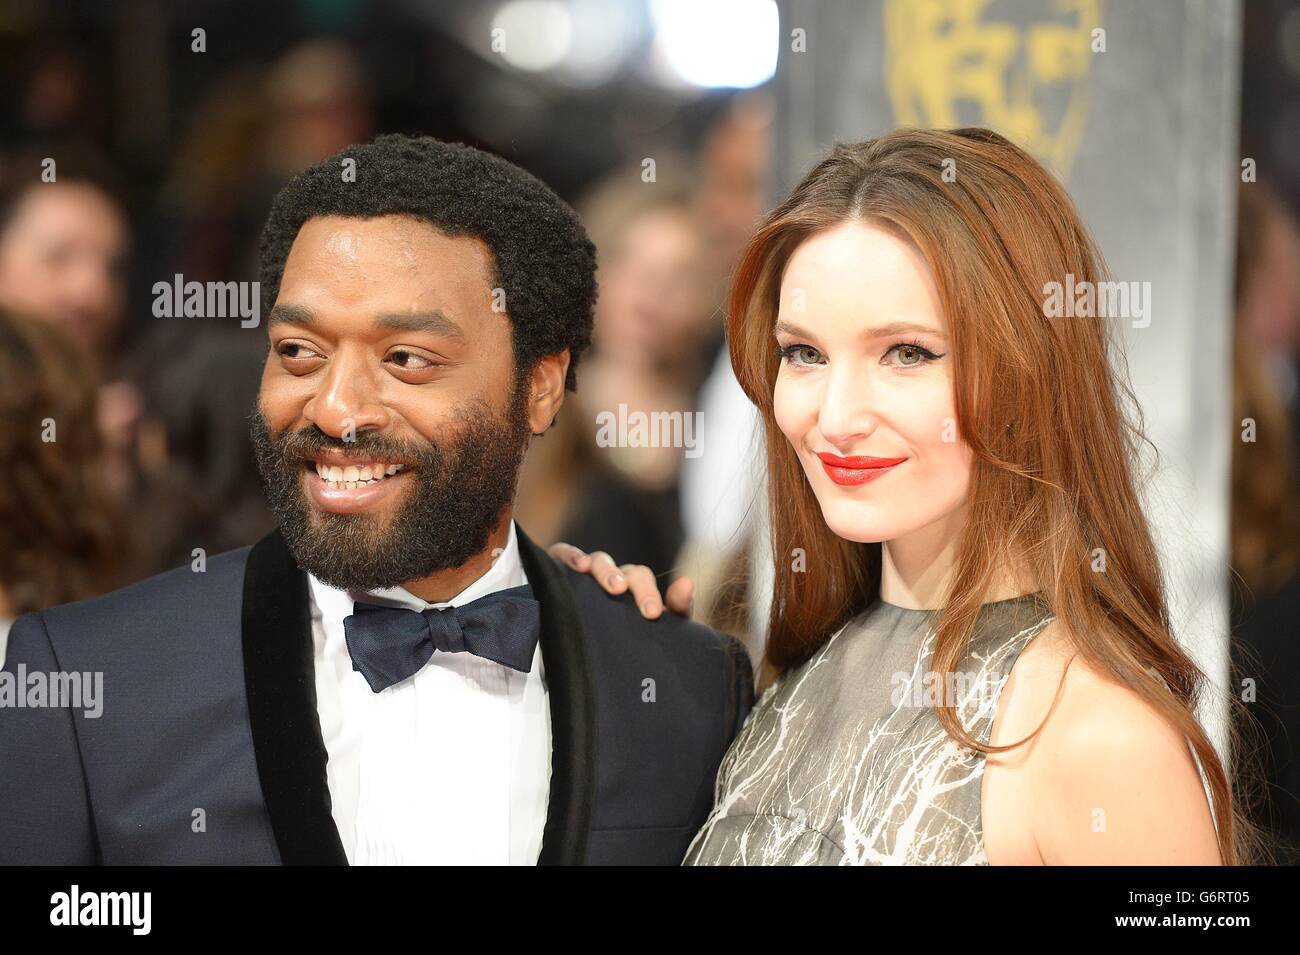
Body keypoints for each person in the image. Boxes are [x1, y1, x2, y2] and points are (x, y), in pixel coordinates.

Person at [0, 134, 753, 866]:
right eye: (300, 351)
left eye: (406, 360)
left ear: (540, 386)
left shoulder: (684, 687)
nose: (337, 409)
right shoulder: (90, 684)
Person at [552, 127, 1262, 865]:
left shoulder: (1099, 732)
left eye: (907, 353)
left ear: (1028, 369)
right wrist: (614, 648)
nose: (836, 417)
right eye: (804, 353)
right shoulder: (803, 670)